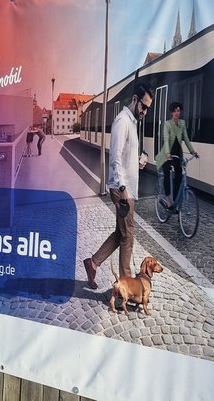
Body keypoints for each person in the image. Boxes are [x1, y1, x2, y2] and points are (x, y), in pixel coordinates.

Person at [83, 82, 154, 289]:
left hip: (126, 187)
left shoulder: (132, 122)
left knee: (120, 233)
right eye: (144, 106)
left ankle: (93, 263)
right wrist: (123, 190)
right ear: (134, 100)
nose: (145, 112)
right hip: (122, 189)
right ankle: (127, 285)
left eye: (148, 108)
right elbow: (114, 159)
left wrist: (138, 160)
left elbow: (124, 156)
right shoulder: (122, 121)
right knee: (128, 236)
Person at [155, 102, 198, 209]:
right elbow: (165, 138)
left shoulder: (182, 124)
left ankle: (175, 199)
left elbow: (186, 139)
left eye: (178, 110)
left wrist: (193, 152)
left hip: (177, 153)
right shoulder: (167, 124)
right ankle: (169, 201)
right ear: (171, 112)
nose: (176, 113)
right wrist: (167, 153)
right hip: (166, 153)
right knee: (166, 175)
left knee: (179, 175)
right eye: (174, 110)